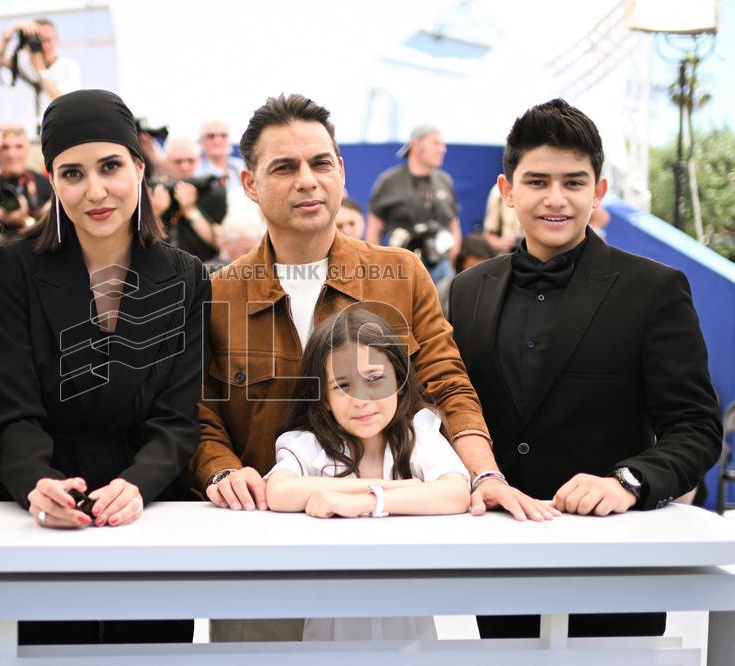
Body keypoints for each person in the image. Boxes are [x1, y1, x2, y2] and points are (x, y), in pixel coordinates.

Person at [190, 94, 494, 643]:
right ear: (250, 184)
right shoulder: (217, 295)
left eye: (320, 163)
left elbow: (450, 384)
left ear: (341, 170)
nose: (307, 180)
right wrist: (221, 470)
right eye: (284, 167)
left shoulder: (400, 275)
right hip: (258, 557)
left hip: (384, 563)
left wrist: (484, 474)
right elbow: (198, 411)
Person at [448, 98, 722, 639]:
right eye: (537, 181)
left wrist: (628, 481)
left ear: (598, 191)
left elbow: (696, 428)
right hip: (497, 553)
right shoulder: (467, 289)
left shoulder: (654, 289)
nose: (556, 199)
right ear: (507, 191)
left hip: (615, 555)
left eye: (574, 182)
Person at [0, 89, 210, 645]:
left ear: (139, 167)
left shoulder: (185, 276)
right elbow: (12, 408)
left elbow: (178, 418)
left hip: (150, 502)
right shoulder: (15, 267)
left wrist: (138, 484)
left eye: (110, 166)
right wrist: (35, 484)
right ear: (51, 180)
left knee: (153, 652)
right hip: (48, 501)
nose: (95, 191)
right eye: (73, 173)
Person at [265, 307, 469, 640]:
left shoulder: (418, 431)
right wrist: (383, 487)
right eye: (342, 385)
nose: (361, 399)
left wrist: (366, 502)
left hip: (406, 618)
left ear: (400, 381)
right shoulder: (310, 445)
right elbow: (278, 491)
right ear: (325, 399)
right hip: (332, 621)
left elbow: (456, 491)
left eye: (375, 379)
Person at [365, 124, 461, 284]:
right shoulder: (389, 181)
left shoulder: (445, 180)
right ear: (416, 145)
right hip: (399, 270)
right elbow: (373, 231)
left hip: (441, 268)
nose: (443, 149)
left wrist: (452, 259)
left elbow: (454, 226)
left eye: (443, 144)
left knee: (444, 307)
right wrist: (376, 268)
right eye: (436, 143)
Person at [0, 18, 82, 132]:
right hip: (29, 132)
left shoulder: (69, 66)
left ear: (57, 41)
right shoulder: (25, 64)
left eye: (48, 40)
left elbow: (64, 101)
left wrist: (39, 69)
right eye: (39, 41)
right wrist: (13, 29)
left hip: (57, 131)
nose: (44, 46)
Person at [154, 136, 225, 263]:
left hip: (205, 268)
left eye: (190, 161)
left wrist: (190, 210)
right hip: (164, 268)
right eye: (178, 161)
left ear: (198, 160)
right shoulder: (156, 193)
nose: (184, 166)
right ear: (168, 162)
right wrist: (155, 213)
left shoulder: (213, 192)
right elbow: (143, 243)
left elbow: (221, 242)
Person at [0, 123, 53, 240]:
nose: (12, 154)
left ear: (28, 148)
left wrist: (24, 220)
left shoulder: (45, 184)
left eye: (18, 147)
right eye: (5, 147)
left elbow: (52, 231)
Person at [196, 119, 244, 191]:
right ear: (202, 141)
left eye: (223, 135)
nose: (217, 141)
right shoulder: (196, 170)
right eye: (211, 136)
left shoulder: (242, 166)